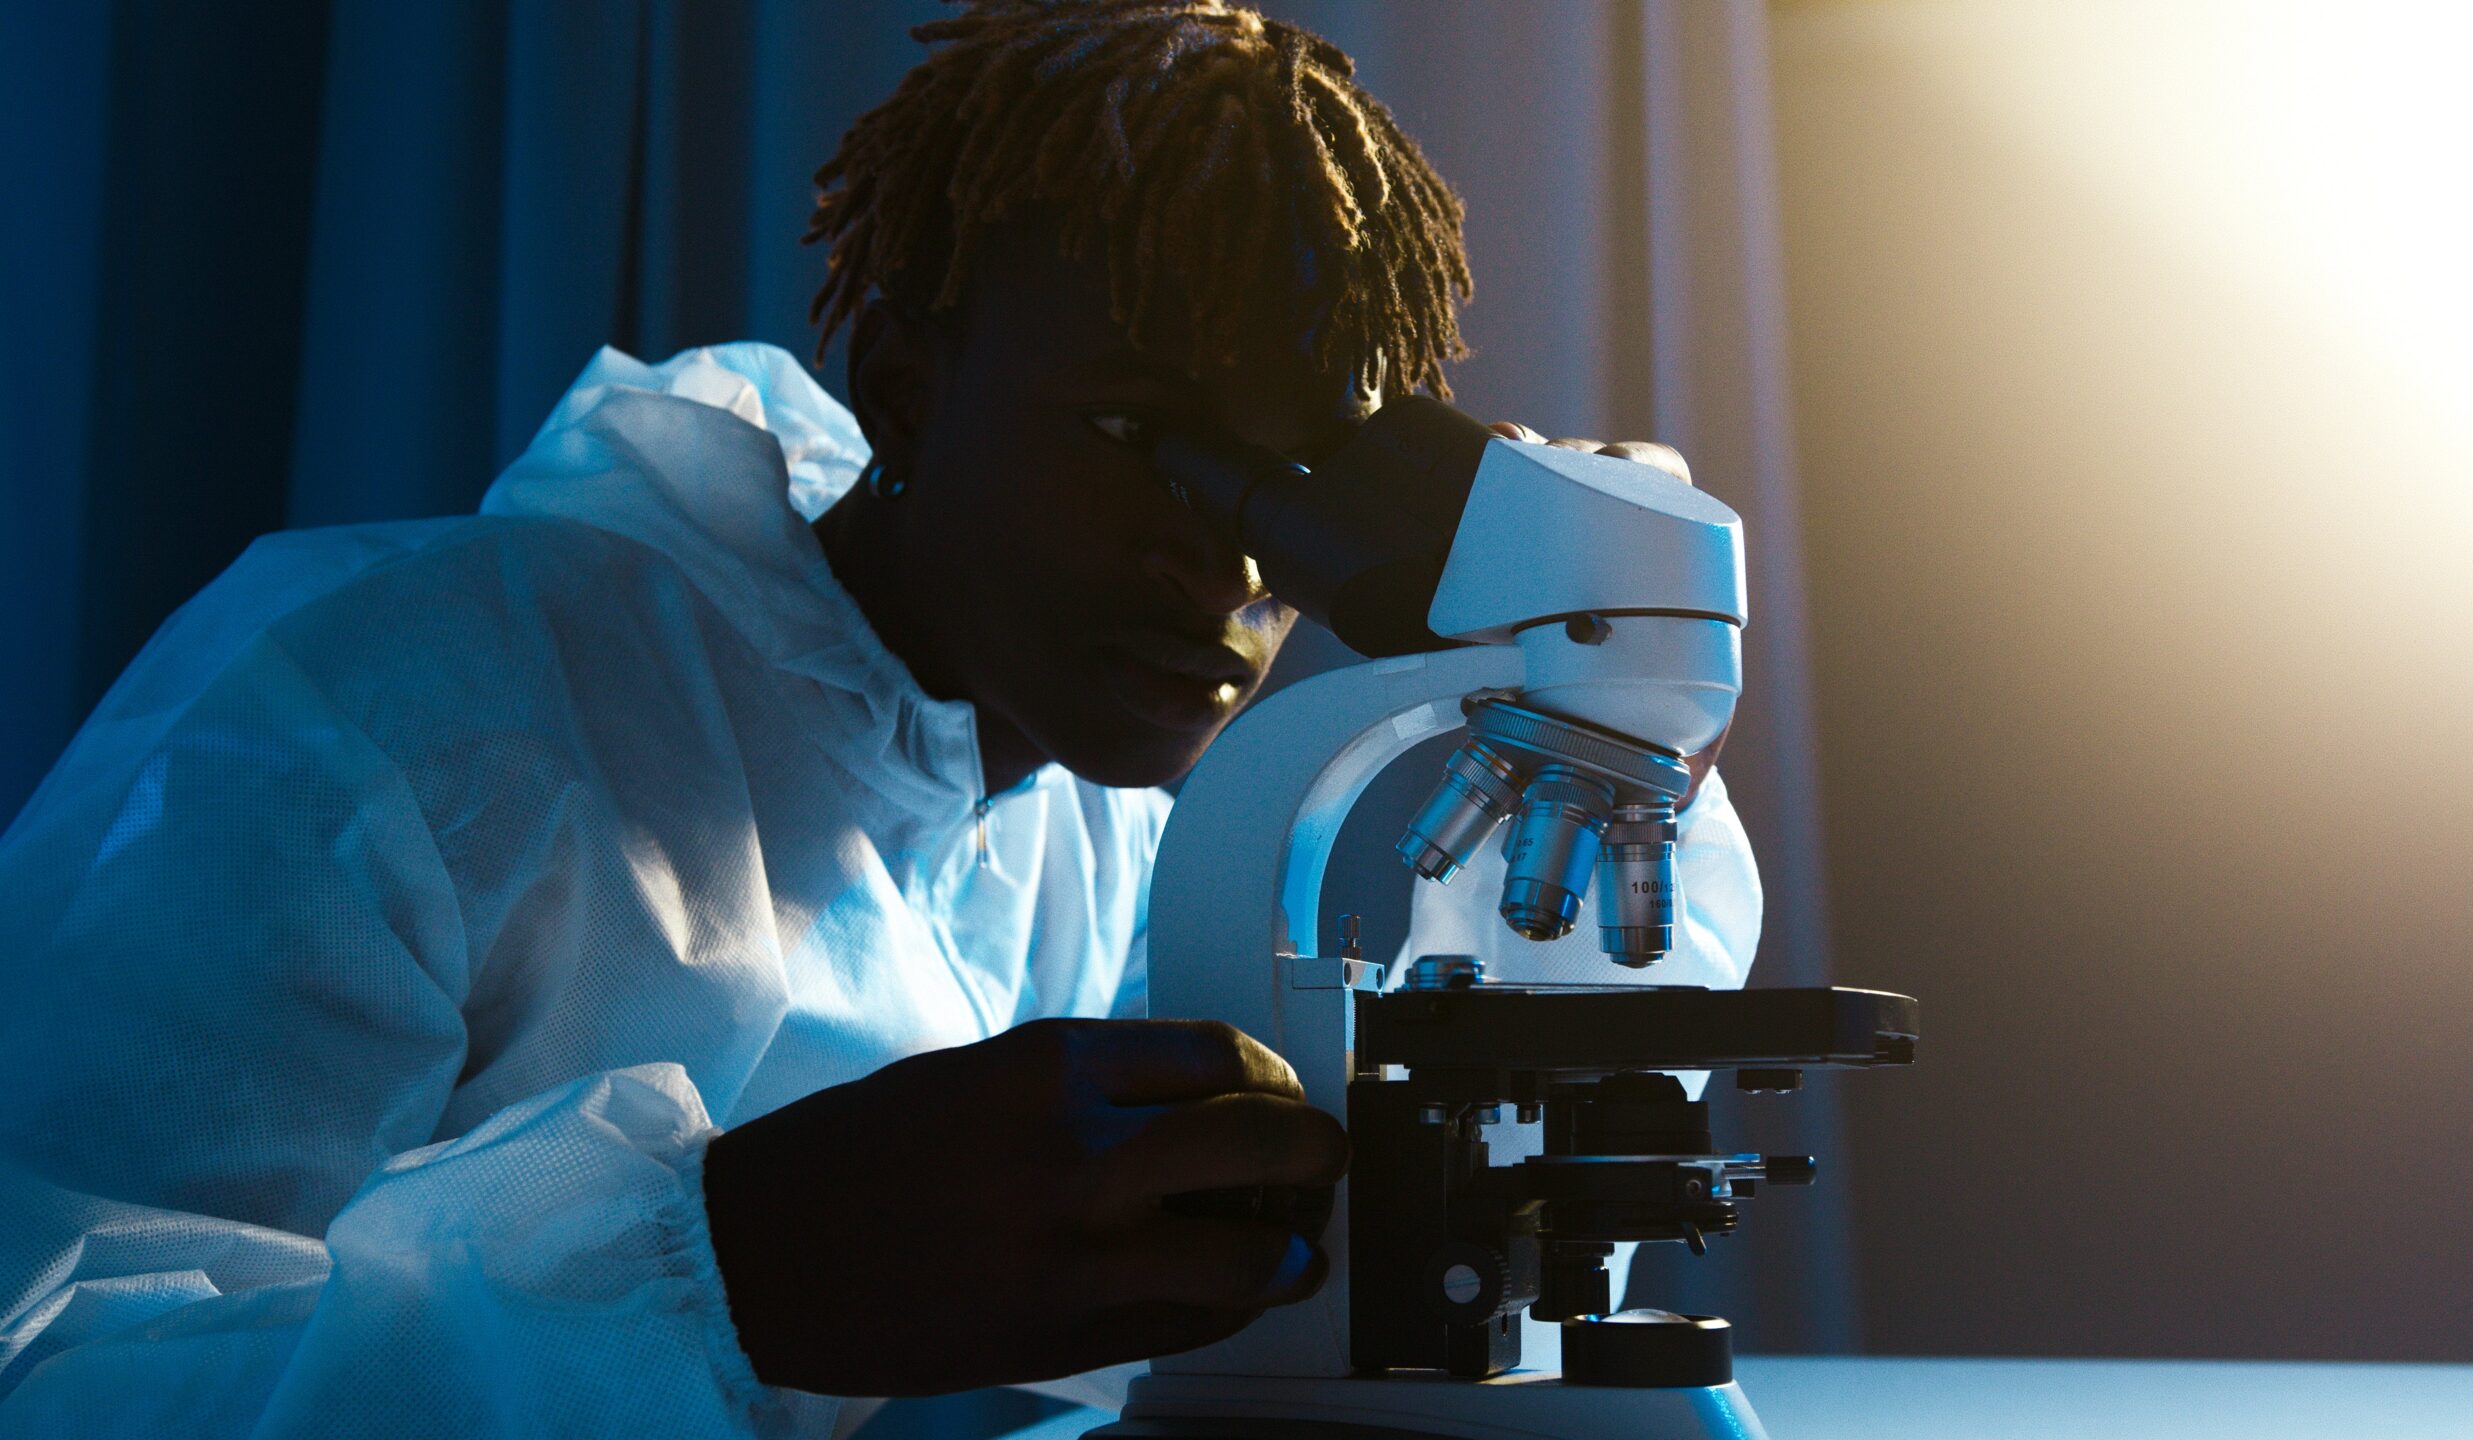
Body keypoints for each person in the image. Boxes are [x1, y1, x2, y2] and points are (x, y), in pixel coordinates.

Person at [0, 2, 1760, 1435]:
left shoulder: (1098, 824)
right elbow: (52, 1380)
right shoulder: (378, 705)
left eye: (1294, 476)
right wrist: (729, 1280)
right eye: (1140, 434)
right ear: (906, 387)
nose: (1222, 556)